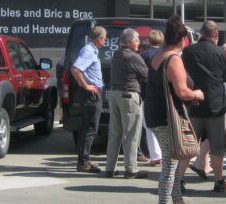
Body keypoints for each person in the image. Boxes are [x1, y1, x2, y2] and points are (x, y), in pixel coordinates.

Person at [145, 16, 204, 204]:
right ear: (182, 39)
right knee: (170, 163)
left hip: (154, 113)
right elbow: (182, 91)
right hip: (167, 116)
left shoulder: (156, 56)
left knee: (173, 160)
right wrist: (196, 94)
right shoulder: (174, 59)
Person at [182, 20, 226, 192]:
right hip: (216, 105)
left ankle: (179, 180)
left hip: (194, 103)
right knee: (218, 146)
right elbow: (225, 78)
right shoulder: (221, 53)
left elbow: (184, 76)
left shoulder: (188, 51)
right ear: (215, 35)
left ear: (201, 33)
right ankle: (219, 180)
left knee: (189, 145)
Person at [104, 28, 148, 179]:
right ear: (129, 42)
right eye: (136, 40)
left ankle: (109, 168)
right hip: (129, 96)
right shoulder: (134, 57)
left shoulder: (116, 54)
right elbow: (146, 75)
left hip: (114, 95)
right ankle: (131, 169)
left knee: (114, 132)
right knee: (131, 134)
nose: (139, 43)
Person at [70, 25, 107, 173]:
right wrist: (86, 86)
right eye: (104, 38)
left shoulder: (92, 51)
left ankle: (84, 160)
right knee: (90, 129)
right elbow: (76, 69)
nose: (105, 41)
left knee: (89, 128)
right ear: (98, 39)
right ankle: (83, 162)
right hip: (91, 95)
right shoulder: (89, 51)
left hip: (92, 94)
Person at [141, 29, 164, 166]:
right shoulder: (164, 54)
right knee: (163, 125)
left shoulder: (144, 55)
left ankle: (155, 156)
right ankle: (164, 153)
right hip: (163, 94)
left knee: (149, 125)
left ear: (149, 40)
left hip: (147, 94)